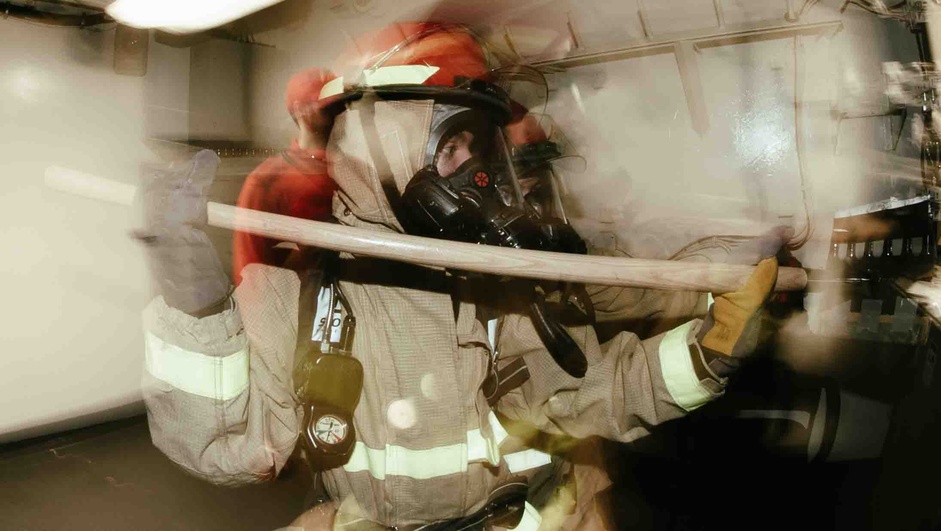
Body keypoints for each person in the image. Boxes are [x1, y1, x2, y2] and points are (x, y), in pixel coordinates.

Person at [135, 22, 782, 530]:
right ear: (378, 149)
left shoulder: (496, 288)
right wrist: (194, 305)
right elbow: (224, 447)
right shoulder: (296, 300)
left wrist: (703, 354)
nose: (475, 176)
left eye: (478, 150)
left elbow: (580, 394)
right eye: (449, 147)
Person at [231, 68, 339, 285]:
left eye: (341, 104)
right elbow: (248, 268)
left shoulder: (357, 172)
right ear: (301, 110)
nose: (338, 112)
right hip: (304, 310)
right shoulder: (268, 180)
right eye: (328, 106)